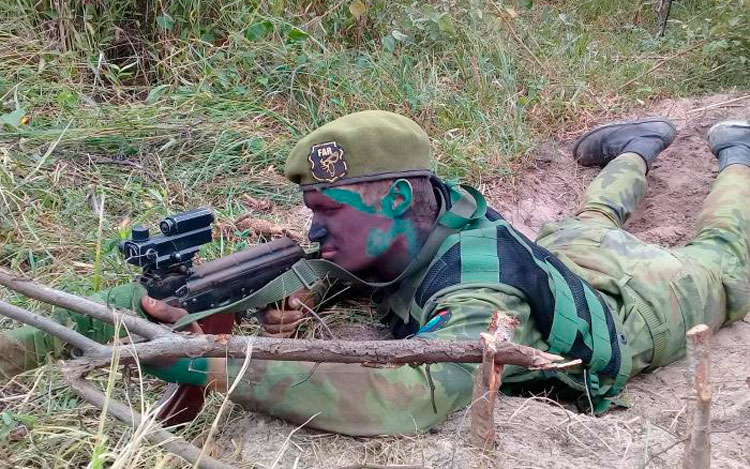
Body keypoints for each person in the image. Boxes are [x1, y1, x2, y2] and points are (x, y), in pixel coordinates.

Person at [1, 112, 749, 437]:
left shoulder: (479, 288)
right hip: (566, 253)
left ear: (394, 198)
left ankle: (736, 157)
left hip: (643, 303)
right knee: (591, 220)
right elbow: (289, 274)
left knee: (719, 250)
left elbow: (404, 396)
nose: (313, 228)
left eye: (325, 208)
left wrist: (214, 358)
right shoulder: (401, 227)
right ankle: (641, 148)